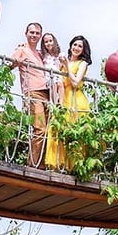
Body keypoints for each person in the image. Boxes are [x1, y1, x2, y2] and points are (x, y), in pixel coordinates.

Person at [45, 34, 92, 170]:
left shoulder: (82, 64)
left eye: (80, 46)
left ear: (83, 50)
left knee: (75, 134)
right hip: (63, 100)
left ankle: (75, 167)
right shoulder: (63, 61)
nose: (76, 48)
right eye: (75, 45)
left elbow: (76, 82)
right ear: (71, 46)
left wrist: (66, 65)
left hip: (76, 101)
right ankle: (60, 165)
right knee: (58, 130)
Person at [8, 21, 49, 166]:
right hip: (33, 92)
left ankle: (43, 164)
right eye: (32, 32)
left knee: (49, 131)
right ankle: (33, 165)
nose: (34, 35)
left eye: (37, 33)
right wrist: (16, 62)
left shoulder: (39, 54)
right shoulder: (22, 50)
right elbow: (7, 66)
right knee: (40, 129)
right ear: (26, 34)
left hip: (47, 93)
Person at [40, 31, 66, 107]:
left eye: (50, 41)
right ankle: (54, 102)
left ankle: (61, 104)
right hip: (49, 76)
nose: (49, 43)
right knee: (53, 84)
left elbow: (62, 64)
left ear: (54, 41)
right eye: (46, 42)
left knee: (60, 84)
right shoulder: (43, 55)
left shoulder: (58, 54)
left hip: (57, 74)